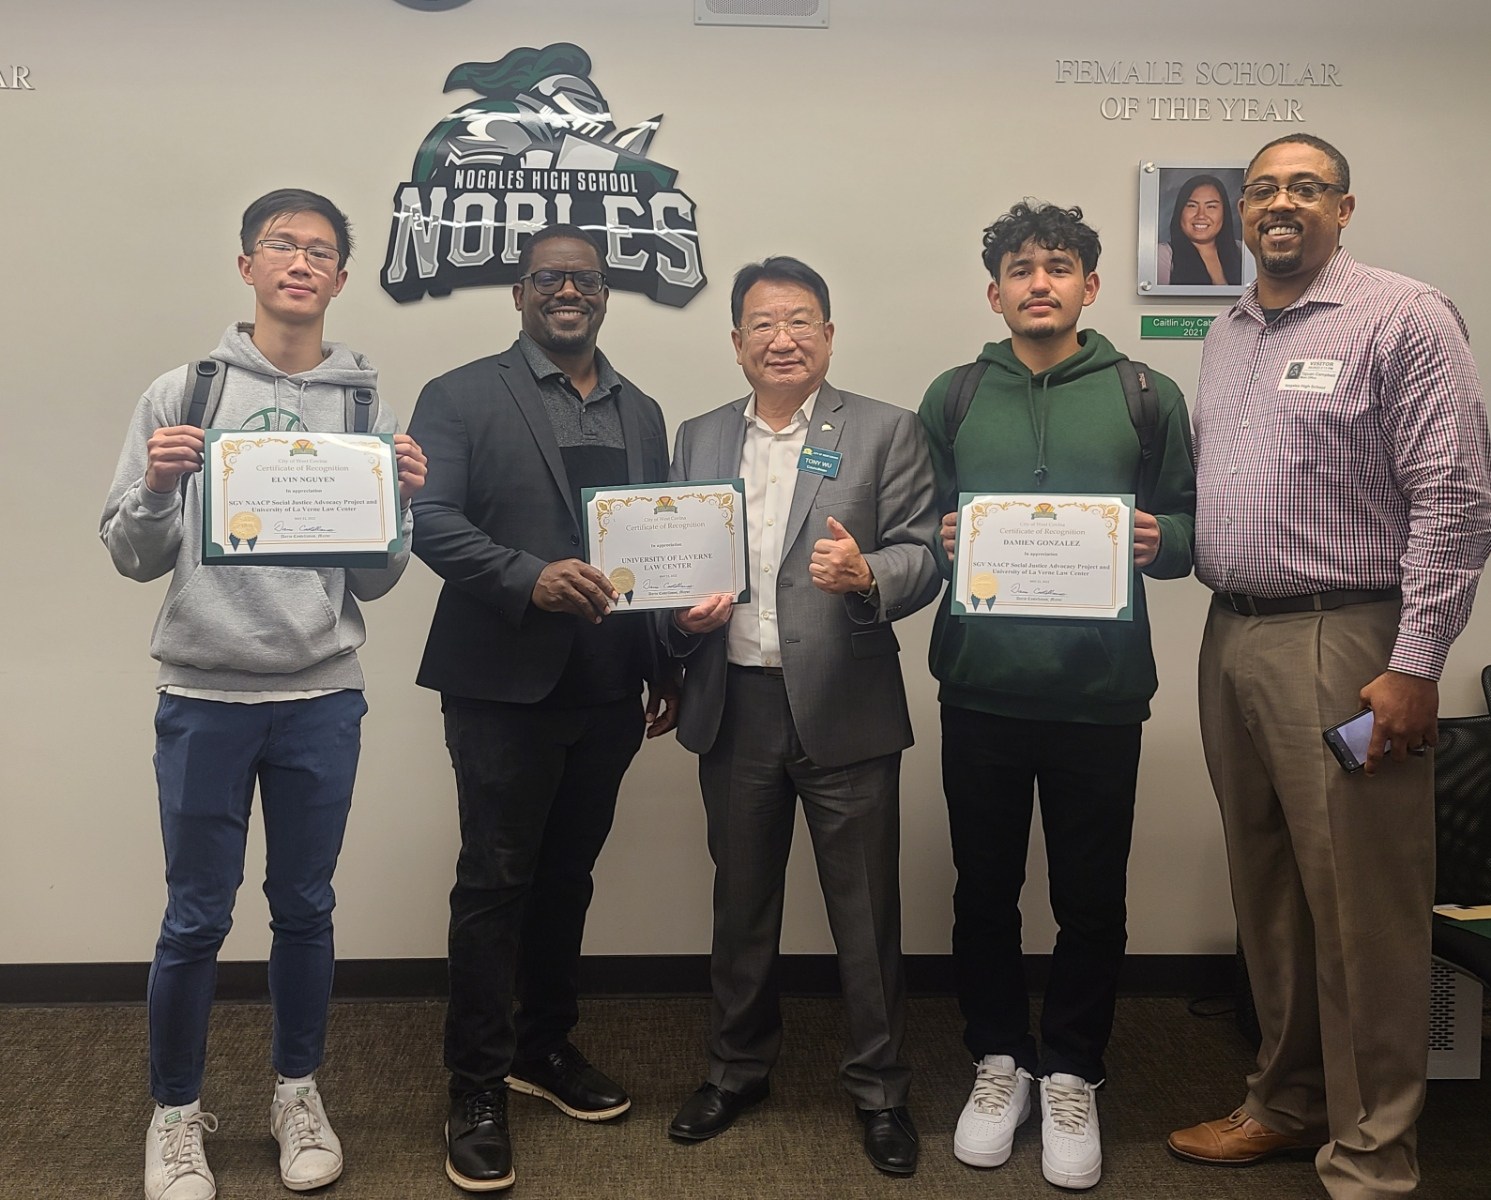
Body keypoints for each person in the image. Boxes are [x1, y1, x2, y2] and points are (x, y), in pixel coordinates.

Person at [1166, 134, 1491, 1200]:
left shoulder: (1403, 316)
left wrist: (1415, 663)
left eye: (1305, 188)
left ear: (1344, 208)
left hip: (1348, 646)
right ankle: (1286, 1101)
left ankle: (1373, 1154)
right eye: (1263, 189)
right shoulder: (1227, 333)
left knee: (1365, 908)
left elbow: (1455, 501)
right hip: (1233, 639)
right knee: (1270, 893)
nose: (1279, 204)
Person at [101, 188, 428, 1200]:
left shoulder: (367, 406)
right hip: (204, 692)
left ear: (341, 275)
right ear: (246, 267)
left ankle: (296, 1092)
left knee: (305, 907)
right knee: (195, 916)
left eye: (321, 250)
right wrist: (158, 489)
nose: (300, 262)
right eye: (280, 245)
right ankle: (176, 1114)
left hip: (322, 696)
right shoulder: (182, 391)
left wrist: (401, 506)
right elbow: (127, 553)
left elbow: (375, 579)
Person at [918, 202, 1196, 1191]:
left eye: (1061, 267)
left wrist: (1168, 542)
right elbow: (918, 528)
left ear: (1091, 285)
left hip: (1101, 696)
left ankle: (1073, 1068)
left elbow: (1193, 526)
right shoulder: (952, 396)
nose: (1041, 282)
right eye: (1022, 269)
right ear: (995, 292)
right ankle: (1000, 1060)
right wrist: (939, 542)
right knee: (984, 893)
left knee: (1091, 899)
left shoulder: (1145, 392)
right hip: (981, 689)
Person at [407, 223, 677, 1193]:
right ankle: (474, 1086)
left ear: (604, 296)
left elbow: (654, 548)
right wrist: (530, 578)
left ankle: (541, 1049)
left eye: (586, 280)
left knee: (568, 880)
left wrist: (664, 663)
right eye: (550, 279)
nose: (570, 292)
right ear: (520, 292)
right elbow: (428, 519)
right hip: (500, 685)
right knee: (496, 884)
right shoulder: (460, 395)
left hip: (607, 687)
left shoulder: (641, 411)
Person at [664, 256, 940, 1175]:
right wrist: (676, 615)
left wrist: (871, 575)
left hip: (845, 707)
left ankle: (879, 1089)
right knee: (740, 904)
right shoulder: (697, 436)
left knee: (864, 914)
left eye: (800, 321)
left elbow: (923, 555)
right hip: (734, 701)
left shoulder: (885, 431)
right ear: (736, 341)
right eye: (761, 324)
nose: (781, 338)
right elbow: (671, 556)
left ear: (827, 333)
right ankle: (736, 1069)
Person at [1157, 173, 1243, 286]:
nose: (1201, 215)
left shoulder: (1243, 252)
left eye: (1211, 206)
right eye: (1192, 206)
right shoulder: (1163, 256)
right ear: (1180, 211)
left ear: (1224, 212)